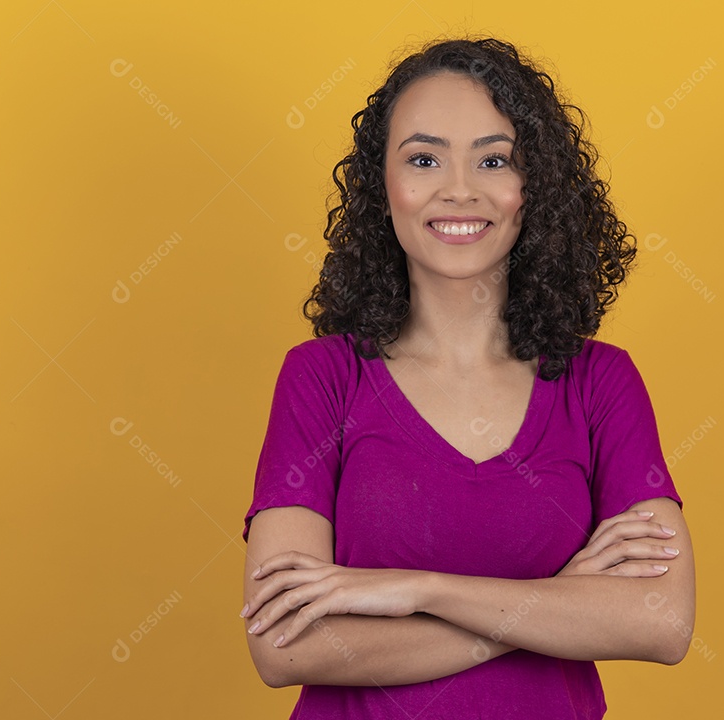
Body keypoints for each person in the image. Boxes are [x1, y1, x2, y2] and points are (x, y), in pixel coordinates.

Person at [240, 35, 695, 720]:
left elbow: (662, 623)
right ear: (382, 186)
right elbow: (287, 645)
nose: (459, 189)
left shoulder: (602, 382)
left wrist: (417, 589)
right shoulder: (321, 378)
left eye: (494, 159)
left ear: (532, 187)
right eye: (424, 158)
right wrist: (554, 602)